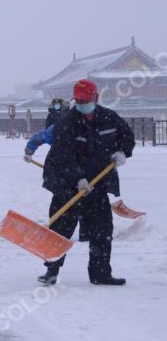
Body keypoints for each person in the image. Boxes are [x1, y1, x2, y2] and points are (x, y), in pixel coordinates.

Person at [39, 79, 135, 286]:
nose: (82, 104)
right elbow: (63, 155)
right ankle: (51, 272)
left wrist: (122, 152)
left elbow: (127, 137)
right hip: (67, 185)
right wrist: (78, 179)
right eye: (79, 100)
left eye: (86, 100)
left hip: (98, 184)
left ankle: (100, 274)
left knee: (102, 230)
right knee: (60, 228)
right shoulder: (67, 122)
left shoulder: (110, 118)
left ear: (95, 98)